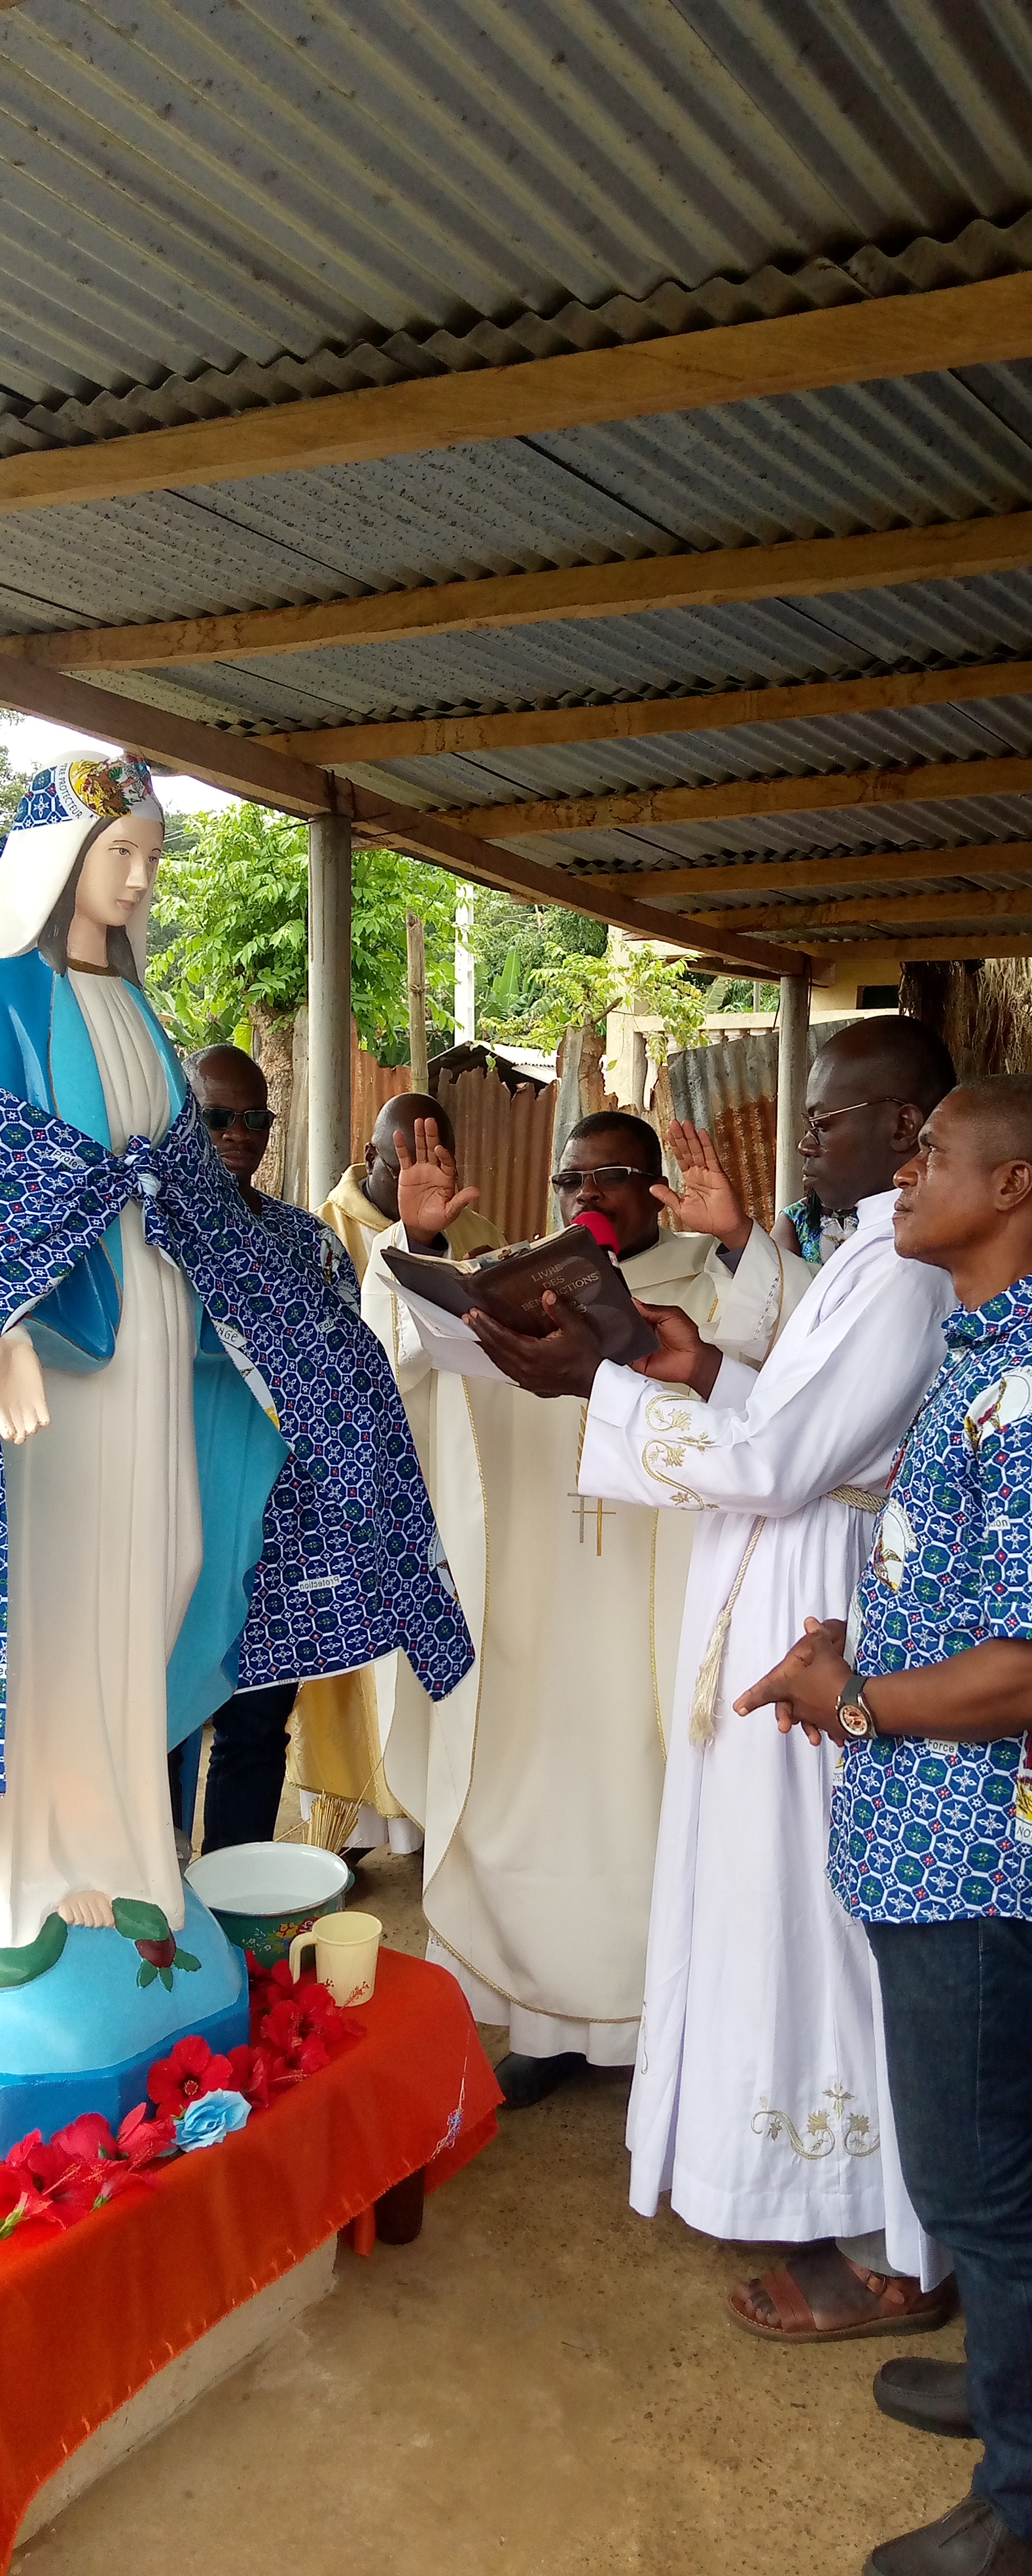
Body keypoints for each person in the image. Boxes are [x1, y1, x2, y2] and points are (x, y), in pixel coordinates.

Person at [471, 1020, 959, 2323]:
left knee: (819, 1910)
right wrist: (676, 1357)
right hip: (769, 1582)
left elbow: (785, 1464)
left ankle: (887, 2237)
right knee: (760, 1891)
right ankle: (799, 2182)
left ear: (908, 1127)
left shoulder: (908, 1276)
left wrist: (608, 1382)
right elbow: (781, 1412)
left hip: (816, 1604)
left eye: (831, 1116)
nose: (806, 1132)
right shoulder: (864, 1254)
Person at [741, 1075, 1032, 2576]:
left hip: (990, 1859)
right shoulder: (994, 1353)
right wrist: (882, 1629)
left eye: (931, 1155)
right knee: (983, 2163)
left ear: (1014, 1182)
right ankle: (1024, 2396)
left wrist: (855, 1699)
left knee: (988, 2183)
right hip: (943, 1832)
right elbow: (994, 1600)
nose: (902, 1174)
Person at [0, 756, 471, 1963]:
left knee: (170, 1564)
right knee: (68, 1593)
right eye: (122, 855)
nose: (143, 877)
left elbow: (192, 1199)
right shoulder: (9, 997)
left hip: (159, 1333)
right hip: (66, 1351)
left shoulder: (138, 1011)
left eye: (154, 856)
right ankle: (47, 1862)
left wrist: (299, 1347)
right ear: (60, 864)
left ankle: (132, 1851)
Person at [363, 1106, 772, 2107]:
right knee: (524, 1801)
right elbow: (395, 1368)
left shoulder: (709, 1293)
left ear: (657, 1185)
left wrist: (741, 1242)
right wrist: (416, 1249)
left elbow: (777, 1380)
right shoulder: (506, 1281)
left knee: (649, 1808)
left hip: (656, 1614)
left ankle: (658, 2026)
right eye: (571, 1181)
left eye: (614, 1176)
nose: (588, 1196)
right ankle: (546, 2026)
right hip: (529, 1613)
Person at [290, 1092, 503, 1859]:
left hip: (449, 1482)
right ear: (371, 1156)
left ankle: (434, 1816)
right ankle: (347, 1833)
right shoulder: (320, 1233)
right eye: (408, 1158)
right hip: (352, 1487)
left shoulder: (476, 1233)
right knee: (350, 1669)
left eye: (442, 1158)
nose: (427, 1171)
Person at [185, 1043, 355, 1853]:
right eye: (218, 1118)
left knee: (256, 1732)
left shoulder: (308, 1243)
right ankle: (155, 1926)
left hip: (277, 1538)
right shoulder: (148, 1242)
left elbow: (352, 1374)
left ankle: (234, 1930)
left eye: (256, 1119)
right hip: (172, 1523)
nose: (240, 1136)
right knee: (163, 1727)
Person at [317, 1090, 499, 1283]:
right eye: (403, 1173)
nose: (425, 1192)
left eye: (440, 1173)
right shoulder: (316, 1237)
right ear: (371, 1160)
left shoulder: (482, 1234)